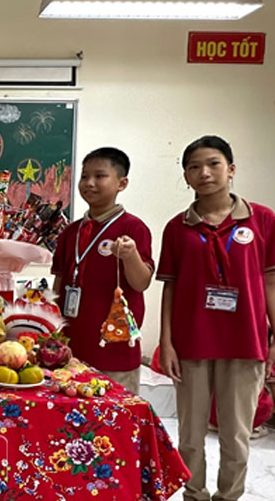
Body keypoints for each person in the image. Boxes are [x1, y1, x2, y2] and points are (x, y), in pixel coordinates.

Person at [157, 135, 275, 501]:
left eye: (213, 164)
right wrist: (166, 342)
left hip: (246, 342)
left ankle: (229, 496)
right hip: (191, 342)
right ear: (186, 176)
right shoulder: (177, 228)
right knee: (190, 435)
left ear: (231, 169)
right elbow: (170, 288)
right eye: (194, 167)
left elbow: (270, 282)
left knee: (236, 435)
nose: (204, 173)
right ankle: (194, 494)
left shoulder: (263, 220)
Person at [52, 147, 153, 394]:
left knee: (116, 414)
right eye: (84, 176)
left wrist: (130, 256)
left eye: (100, 176)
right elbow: (59, 285)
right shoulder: (71, 232)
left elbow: (141, 283)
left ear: (122, 183)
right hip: (70, 350)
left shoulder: (133, 228)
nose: (89, 183)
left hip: (114, 351)